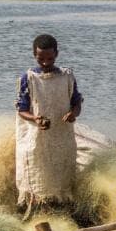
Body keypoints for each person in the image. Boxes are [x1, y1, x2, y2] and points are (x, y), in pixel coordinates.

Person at [14, 34, 83, 212]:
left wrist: (72, 114)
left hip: (62, 136)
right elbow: (21, 109)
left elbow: (77, 102)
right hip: (36, 138)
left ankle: (62, 209)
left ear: (57, 54)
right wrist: (35, 119)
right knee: (37, 178)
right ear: (34, 55)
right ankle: (34, 210)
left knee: (61, 177)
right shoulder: (28, 78)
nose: (45, 62)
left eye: (50, 58)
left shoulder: (66, 76)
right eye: (41, 58)